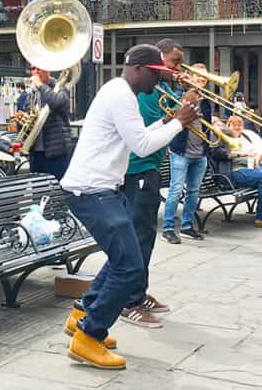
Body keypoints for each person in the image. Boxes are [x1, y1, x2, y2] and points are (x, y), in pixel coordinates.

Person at [60, 44, 196, 370]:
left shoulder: (120, 92)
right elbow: (142, 146)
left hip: (100, 188)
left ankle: (82, 316)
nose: (158, 82)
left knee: (122, 258)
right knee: (129, 267)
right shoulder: (121, 95)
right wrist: (179, 122)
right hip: (92, 190)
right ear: (138, 69)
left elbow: (136, 137)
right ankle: (89, 337)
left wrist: (166, 121)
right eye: (156, 74)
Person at [120, 38, 184, 327]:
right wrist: (179, 120)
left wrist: (186, 104)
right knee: (140, 236)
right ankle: (129, 300)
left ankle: (138, 292)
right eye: (174, 63)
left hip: (150, 168)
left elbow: (168, 121)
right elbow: (145, 136)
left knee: (146, 234)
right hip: (139, 170)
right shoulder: (145, 91)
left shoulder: (162, 88)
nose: (176, 69)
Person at [161, 64, 211, 245]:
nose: (201, 81)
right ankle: (167, 229)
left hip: (200, 152)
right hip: (181, 152)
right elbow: (172, 115)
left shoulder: (207, 100)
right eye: (198, 77)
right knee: (175, 191)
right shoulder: (180, 95)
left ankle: (187, 226)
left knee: (193, 192)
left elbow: (207, 126)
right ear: (190, 77)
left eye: (204, 78)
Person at [212, 115, 262, 228]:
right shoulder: (217, 138)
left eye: (239, 125)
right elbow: (218, 153)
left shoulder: (238, 136)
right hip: (233, 171)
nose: (220, 124)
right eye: (217, 124)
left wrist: (254, 158)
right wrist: (241, 154)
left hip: (246, 166)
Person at [25, 65, 73, 180]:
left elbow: (56, 102)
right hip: (36, 154)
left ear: (48, 70)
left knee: (57, 192)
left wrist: (41, 85)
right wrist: (22, 121)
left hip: (55, 153)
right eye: (33, 69)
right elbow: (29, 119)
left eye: (39, 69)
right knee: (37, 194)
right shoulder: (32, 93)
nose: (36, 72)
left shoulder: (61, 88)